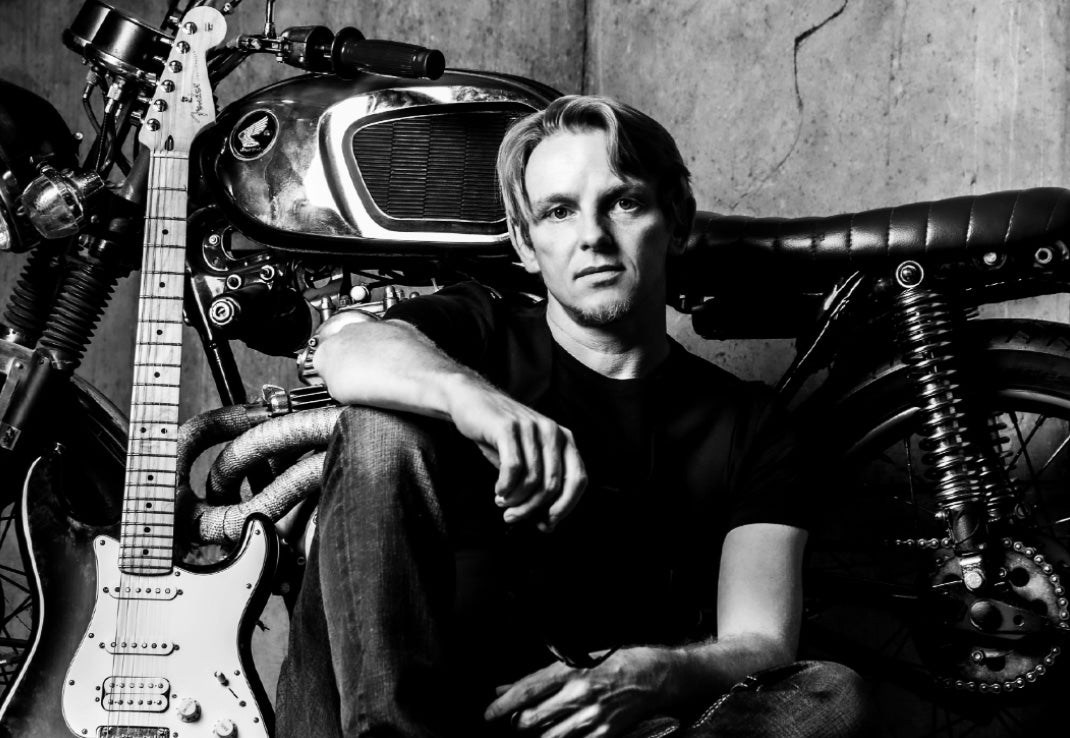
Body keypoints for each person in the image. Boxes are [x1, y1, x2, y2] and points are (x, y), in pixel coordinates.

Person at [277, 95, 873, 737]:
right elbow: (347, 348)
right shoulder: (477, 330)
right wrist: (482, 404)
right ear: (525, 243)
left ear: (676, 219)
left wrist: (647, 674)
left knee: (830, 695)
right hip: (396, 714)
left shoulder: (751, 423)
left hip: (585, 721)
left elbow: (761, 640)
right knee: (380, 424)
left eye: (622, 202)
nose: (592, 236)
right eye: (558, 212)